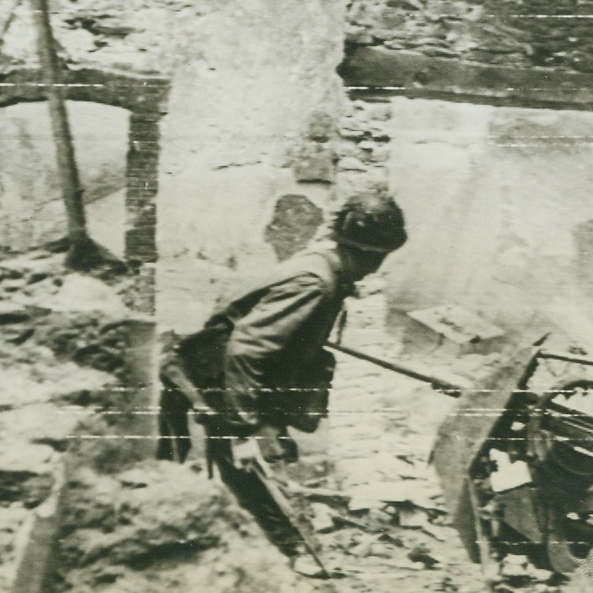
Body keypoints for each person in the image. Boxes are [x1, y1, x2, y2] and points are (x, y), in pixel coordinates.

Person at [158, 187, 408, 465]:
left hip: (227, 382)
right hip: (218, 382)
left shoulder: (322, 268)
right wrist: (245, 431)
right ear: (368, 253)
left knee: (235, 483)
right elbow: (246, 347)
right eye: (379, 257)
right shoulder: (315, 282)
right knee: (256, 489)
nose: (376, 267)